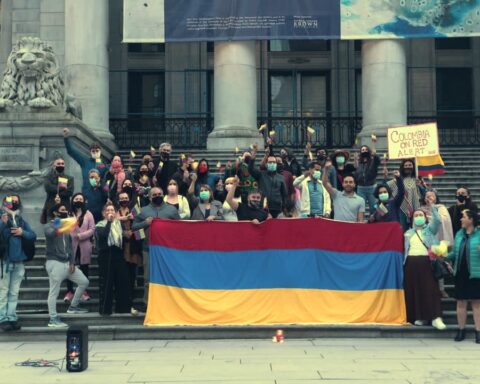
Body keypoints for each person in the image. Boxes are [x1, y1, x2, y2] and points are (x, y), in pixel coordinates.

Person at [132, 187, 180, 308]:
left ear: (163, 195)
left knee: (167, 277)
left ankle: (168, 304)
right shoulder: (141, 210)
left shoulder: (172, 209)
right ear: (149, 197)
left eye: (159, 194)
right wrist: (145, 223)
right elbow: (133, 227)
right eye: (154, 195)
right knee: (148, 278)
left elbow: (180, 227)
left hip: (167, 250)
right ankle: (147, 304)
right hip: (148, 249)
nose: (157, 196)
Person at [45, 203, 89, 328]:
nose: (65, 212)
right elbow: (50, 234)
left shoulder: (66, 228)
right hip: (55, 263)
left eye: (66, 210)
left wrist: (72, 262)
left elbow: (70, 247)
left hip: (67, 263)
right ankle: (53, 319)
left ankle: (73, 306)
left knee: (84, 282)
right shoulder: (50, 225)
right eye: (62, 210)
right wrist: (59, 223)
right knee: (54, 291)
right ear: (55, 213)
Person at [403, 203, 446, 330]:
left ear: (425, 217)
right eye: (416, 215)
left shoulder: (430, 230)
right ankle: (419, 317)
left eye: (421, 215)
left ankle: (435, 317)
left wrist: (432, 206)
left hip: (427, 262)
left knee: (430, 290)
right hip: (411, 264)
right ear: (412, 219)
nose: (418, 217)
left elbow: (438, 220)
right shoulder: (408, 233)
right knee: (415, 290)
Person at [0, 195, 36, 332]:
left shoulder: (21, 220)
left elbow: (32, 235)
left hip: (19, 261)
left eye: (16, 201)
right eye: (10, 201)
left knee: (14, 292)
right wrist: (3, 223)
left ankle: (11, 317)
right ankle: (2, 319)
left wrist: (22, 232)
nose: (13, 203)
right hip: (5, 262)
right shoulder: (2, 217)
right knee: (3, 292)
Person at [447, 209, 480, 343]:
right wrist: (442, 254)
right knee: (461, 303)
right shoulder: (459, 234)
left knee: (477, 304)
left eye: (464, 217)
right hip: (460, 273)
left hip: (475, 273)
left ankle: (478, 331)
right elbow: (454, 254)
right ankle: (461, 330)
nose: (461, 219)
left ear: (471, 220)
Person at [95, 203, 132, 315]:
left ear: (116, 213)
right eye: (107, 210)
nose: (110, 212)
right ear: (103, 213)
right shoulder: (100, 225)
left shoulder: (119, 224)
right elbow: (104, 235)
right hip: (106, 255)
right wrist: (110, 222)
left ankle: (122, 308)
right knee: (107, 283)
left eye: (112, 210)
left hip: (118, 254)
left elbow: (126, 235)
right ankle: (105, 309)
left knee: (122, 281)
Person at [64, 193, 95, 304]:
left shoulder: (88, 214)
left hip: (84, 245)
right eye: (76, 199)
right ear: (73, 200)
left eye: (80, 199)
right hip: (71, 245)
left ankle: (83, 291)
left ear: (84, 201)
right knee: (70, 268)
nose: (78, 200)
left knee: (84, 268)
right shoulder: (68, 214)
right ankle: (69, 291)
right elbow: (64, 228)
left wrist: (81, 236)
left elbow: (92, 229)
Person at [118, 193, 143, 316]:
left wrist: (133, 234)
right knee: (123, 275)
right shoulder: (116, 211)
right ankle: (124, 302)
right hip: (121, 247)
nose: (124, 200)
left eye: (126, 198)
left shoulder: (136, 209)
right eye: (121, 198)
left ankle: (132, 301)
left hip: (133, 246)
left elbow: (142, 226)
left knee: (132, 274)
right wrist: (123, 232)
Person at [63, 128, 107, 194]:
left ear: (101, 151)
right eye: (93, 151)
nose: (95, 152)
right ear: (90, 152)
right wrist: (66, 138)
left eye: (97, 151)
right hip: (87, 194)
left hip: (100, 195)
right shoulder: (85, 161)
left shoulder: (104, 165)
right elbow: (71, 151)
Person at [387, 159, 425, 232]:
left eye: (410, 165)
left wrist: (420, 185)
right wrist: (386, 177)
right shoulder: (397, 179)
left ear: (413, 167)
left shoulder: (418, 179)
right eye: (406, 165)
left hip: (416, 207)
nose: (408, 167)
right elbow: (386, 188)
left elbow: (425, 193)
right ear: (402, 167)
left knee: (416, 230)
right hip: (402, 208)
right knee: (403, 230)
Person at [248, 153, 288, 218]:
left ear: (276, 164)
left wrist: (285, 208)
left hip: (277, 208)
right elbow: (250, 169)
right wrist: (252, 158)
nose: (272, 164)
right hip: (262, 207)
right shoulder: (260, 174)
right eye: (270, 162)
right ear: (266, 164)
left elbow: (284, 194)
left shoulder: (281, 178)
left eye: (274, 162)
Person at [42, 157, 74, 223]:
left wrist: (55, 192)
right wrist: (63, 188)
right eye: (58, 164)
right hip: (51, 207)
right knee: (51, 230)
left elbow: (69, 192)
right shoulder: (48, 177)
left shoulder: (70, 178)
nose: (61, 165)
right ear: (54, 166)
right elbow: (48, 189)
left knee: (64, 229)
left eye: (62, 164)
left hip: (65, 206)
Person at [354, 145, 380, 215]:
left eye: (366, 150)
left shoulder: (372, 161)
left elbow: (378, 161)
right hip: (361, 188)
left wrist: (375, 155)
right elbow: (356, 174)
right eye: (363, 150)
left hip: (372, 187)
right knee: (360, 207)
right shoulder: (358, 163)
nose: (364, 151)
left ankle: (374, 222)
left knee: (374, 207)